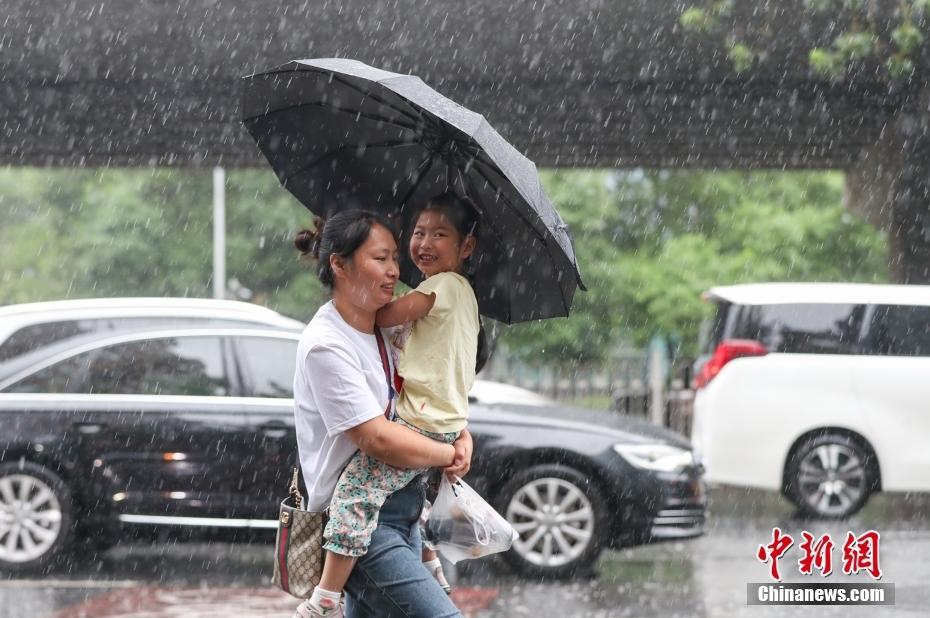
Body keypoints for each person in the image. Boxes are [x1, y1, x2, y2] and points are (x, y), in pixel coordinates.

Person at [305, 193, 484, 616]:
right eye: (380, 259)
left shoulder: (388, 330)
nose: (394, 270)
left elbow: (426, 389)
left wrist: (461, 432)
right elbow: (377, 438)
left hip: (404, 511)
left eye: (392, 259)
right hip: (361, 525)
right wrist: (447, 453)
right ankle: (322, 601)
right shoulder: (326, 344)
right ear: (339, 264)